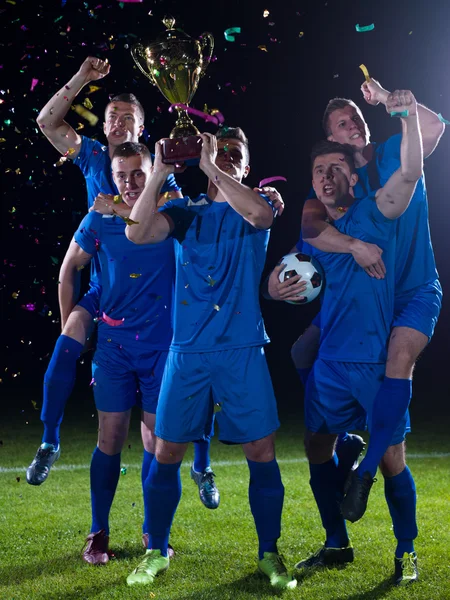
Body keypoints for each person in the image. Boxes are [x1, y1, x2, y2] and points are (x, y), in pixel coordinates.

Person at [123, 127, 296, 590]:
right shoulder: (184, 211)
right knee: (166, 453)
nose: (224, 158)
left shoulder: (257, 203)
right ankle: (156, 550)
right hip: (189, 352)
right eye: (218, 149)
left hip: (242, 349)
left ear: (244, 165)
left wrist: (213, 166)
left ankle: (269, 553)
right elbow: (136, 232)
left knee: (262, 452)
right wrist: (160, 170)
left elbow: (261, 216)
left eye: (234, 153)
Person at [268, 78, 444, 522]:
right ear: (331, 139)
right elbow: (309, 230)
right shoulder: (332, 179)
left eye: (359, 120)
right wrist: (348, 250)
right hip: (363, 295)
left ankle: (366, 472)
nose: (355, 127)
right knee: (303, 349)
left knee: (396, 363)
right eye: (343, 124)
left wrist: (392, 102)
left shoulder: (390, 154)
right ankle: (345, 433)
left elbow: (432, 131)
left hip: (411, 290)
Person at [26, 57, 188, 490]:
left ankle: (198, 466)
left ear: (141, 128)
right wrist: (82, 77)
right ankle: (49, 441)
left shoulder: (158, 170)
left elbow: (167, 219)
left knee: (164, 413)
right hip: (106, 282)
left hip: (155, 294)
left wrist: (114, 206)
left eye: (127, 118)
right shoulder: (93, 156)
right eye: (111, 116)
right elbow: (45, 121)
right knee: (67, 340)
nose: (117, 122)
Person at [291, 90, 423, 586]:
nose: (326, 177)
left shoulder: (378, 212)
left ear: (354, 173)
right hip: (330, 363)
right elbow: (292, 277)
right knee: (314, 447)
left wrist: (407, 114)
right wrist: (281, 288)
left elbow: (409, 173)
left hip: (373, 360)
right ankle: (334, 543)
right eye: (318, 170)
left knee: (392, 459)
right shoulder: (314, 226)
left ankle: (406, 550)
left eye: (336, 170)